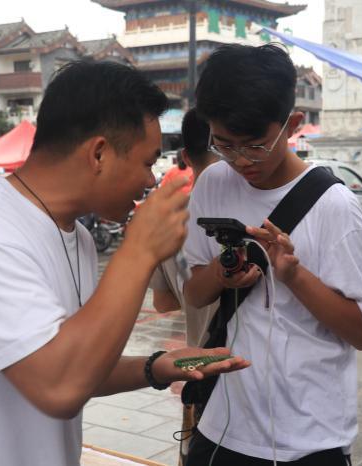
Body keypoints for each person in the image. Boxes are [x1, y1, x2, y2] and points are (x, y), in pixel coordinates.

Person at [0, 61, 249, 466]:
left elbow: (77, 362)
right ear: (99, 153)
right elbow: (59, 385)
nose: (151, 181)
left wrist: (158, 367)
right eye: (148, 163)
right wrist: (140, 250)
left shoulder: (76, 237)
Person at [182, 43, 362, 465]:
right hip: (221, 427)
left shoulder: (335, 207)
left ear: (291, 125)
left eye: (255, 145)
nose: (240, 161)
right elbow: (195, 294)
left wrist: (295, 277)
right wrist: (223, 272)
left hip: (309, 437)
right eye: (224, 144)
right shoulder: (212, 184)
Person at [148, 109, 220, 465]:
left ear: (186, 157)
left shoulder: (170, 222)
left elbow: (162, 303)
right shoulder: (254, 217)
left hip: (199, 370)